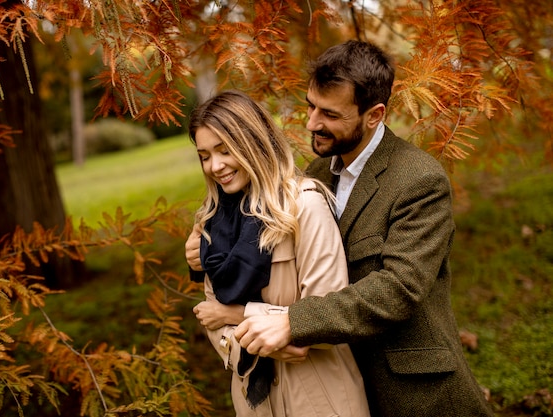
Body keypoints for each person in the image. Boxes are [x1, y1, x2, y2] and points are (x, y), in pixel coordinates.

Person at [186, 42, 494, 416]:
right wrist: (203, 257)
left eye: (329, 113)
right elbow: (268, 251)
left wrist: (289, 321)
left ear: (374, 115)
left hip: (405, 383)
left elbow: (398, 288)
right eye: (311, 105)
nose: (312, 122)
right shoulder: (316, 175)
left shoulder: (418, 180)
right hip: (328, 374)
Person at [187, 90, 370, 417]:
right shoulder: (210, 222)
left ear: (252, 142)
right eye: (204, 155)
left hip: (317, 396)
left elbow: (329, 317)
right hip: (252, 400)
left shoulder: (304, 206)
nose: (215, 166)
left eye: (224, 150)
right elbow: (209, 314)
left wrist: (238, 314)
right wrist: (259, 343)